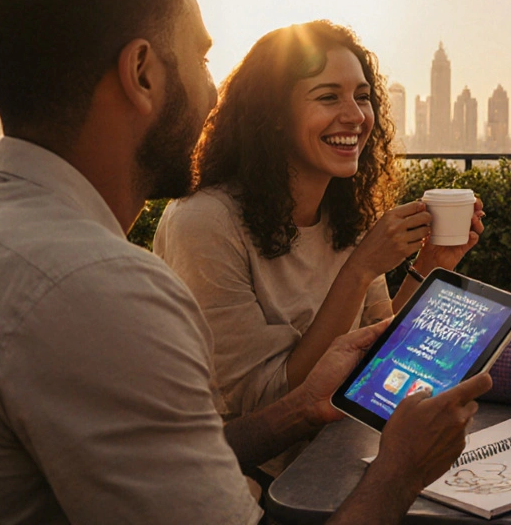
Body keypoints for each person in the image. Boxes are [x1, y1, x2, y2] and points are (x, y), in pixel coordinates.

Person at [0, 0, 489, 524]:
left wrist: (303, 408)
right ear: (144, 73)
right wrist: (401, 470)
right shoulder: (99, 288)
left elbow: (165, 454)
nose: (213, 96)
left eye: (362, 95)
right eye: (202, 60)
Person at [154, 21, 483, 421]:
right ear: (272, 114)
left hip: (340, 442)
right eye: (328, 97)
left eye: (363, 97)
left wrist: (431, 264)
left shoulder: (345, 214)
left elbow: (377, 348)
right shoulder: (205, 223)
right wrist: (360, 268)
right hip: (248, 472)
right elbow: (264, 402)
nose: (355, 116)